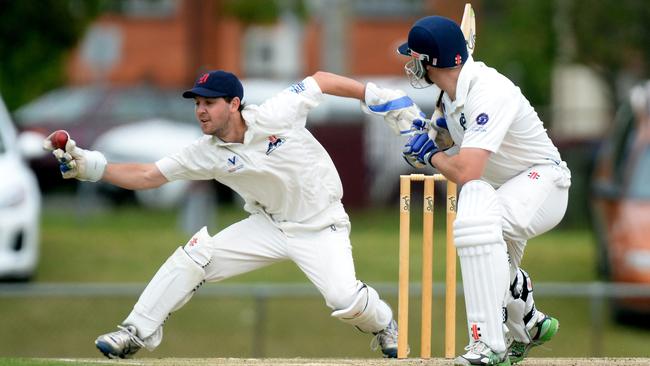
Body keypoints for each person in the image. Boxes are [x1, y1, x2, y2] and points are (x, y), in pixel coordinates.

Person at [44, 70, 418, 359]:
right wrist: (91, 167)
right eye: (196, 104)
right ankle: (134, 333)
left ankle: (384, 325)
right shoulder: (204, 151)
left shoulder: (276, 113)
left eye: (209, 102)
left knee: (343, 298)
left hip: (322, 224)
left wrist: (377, 97)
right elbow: (148, 175)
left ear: (234, 104)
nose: (200, 111)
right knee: (196, 256)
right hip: (269, 224)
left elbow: (320, 80)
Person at [398, 16, 571, 366]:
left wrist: (432, 155)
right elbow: (450, 137)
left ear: (433, 63)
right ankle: (528, 324)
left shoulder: (490, 92)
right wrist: (433, 135)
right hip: (503, 191)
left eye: (416, 58)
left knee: (474, 208)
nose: (412, 66)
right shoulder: (450, 99)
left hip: (543, 185)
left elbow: (466, 170)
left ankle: (488, 345)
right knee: (488, 260)